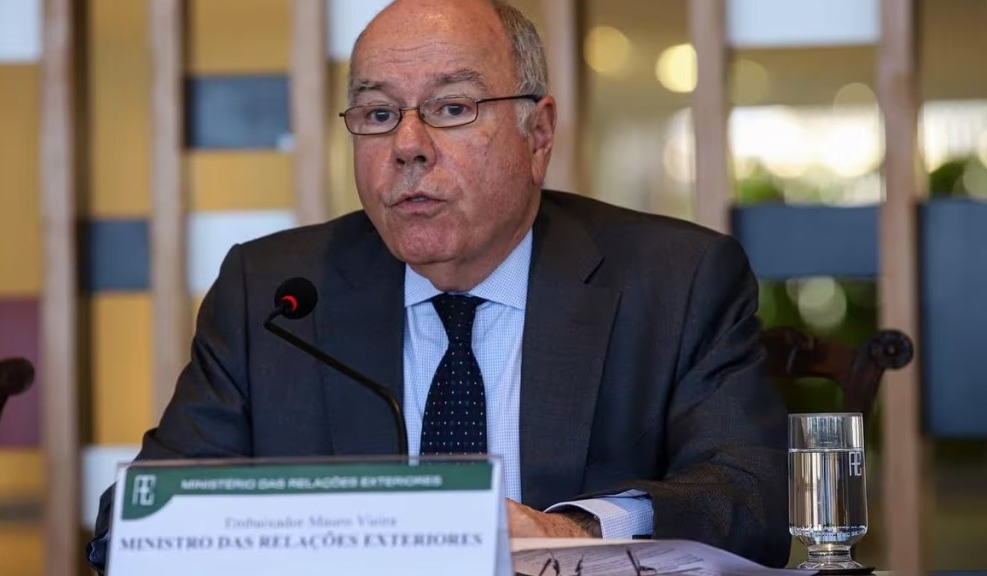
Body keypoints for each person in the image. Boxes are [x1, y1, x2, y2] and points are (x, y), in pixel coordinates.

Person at [89, 0, 789, 570]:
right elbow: (133, 523)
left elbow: (753, 497)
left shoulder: (674, 280)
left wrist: (571, 532)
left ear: (539, 132)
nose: (408, 146)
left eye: (452, 108)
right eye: (379, 114)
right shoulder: (276, 295)